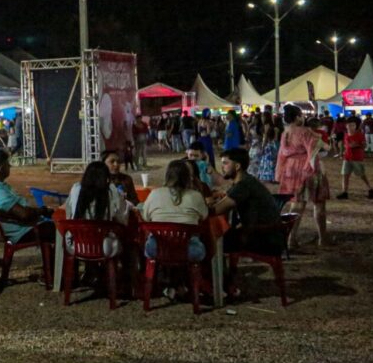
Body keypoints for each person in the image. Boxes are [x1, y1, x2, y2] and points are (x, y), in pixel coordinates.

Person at [209, 148, 285, 293]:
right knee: (220, 237)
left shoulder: (243, 185)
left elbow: (215, 210)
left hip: (265, 239)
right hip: (270, 234)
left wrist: (196, 205)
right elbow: (228, 198)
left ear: (237, 166)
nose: (222, 167)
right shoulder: (246, 181)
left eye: (225, 163)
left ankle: (220, 286)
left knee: (211, 241)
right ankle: (225, 282)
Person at [275, 104, 330, 247]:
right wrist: (311, 169)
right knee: (319, 203)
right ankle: (323, 238)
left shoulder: (285, 132)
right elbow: (314, 152)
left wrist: (279, 173)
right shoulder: (305, 131)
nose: (304, 117)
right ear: (297, 117)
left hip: (290, 169)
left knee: (296, 205)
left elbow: (281, 155)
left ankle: (290, 239)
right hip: (306, 168)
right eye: (302, 115)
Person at [0, 147, 55, 247]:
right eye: (7, 164)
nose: (10, 166)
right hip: (23, 231)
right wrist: (42, 211)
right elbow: (24, 214)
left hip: (24, 227)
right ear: (1, 168)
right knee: (62, 229)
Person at [141, 159, 209, 225]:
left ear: (167, 176)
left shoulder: (155, 194)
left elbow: (145, 217)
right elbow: (204, 216)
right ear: (187, 177)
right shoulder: (196, 196)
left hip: (158, 233)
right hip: (189, 233)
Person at [65, 161, 131, 226]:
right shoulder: (111, 190)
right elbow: (123, 219)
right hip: (104, 232)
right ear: (106, 177)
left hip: (77, 232)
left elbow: (69, 215)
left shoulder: (76, 189)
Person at [337, 117, 373, 200]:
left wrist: (356, 145)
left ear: (356, 126)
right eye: (349, 125)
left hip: (357, 158)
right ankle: (344, 192)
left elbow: (364, 145)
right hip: (347, 157)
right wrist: (343, 152)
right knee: (345, 175)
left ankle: (370, 189)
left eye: (353, 125)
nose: (351, 127)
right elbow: (346, 145)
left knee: (361, 175)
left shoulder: (359, 135)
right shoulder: (346, 134)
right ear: (346, 126)